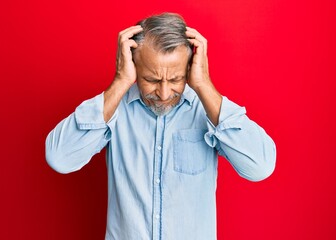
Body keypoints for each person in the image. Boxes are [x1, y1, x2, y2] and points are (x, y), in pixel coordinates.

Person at [45, 12, 276, 240]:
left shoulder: (208, 111)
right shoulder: (114, 109)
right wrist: (120, 81)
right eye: (152, 80)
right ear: (134, 66)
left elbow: (261, 166)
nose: (164, 94)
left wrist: (204, 85)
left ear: (189, 69)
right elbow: (59, 158)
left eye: (175, 80)